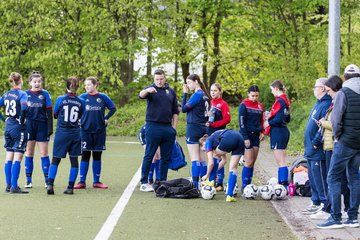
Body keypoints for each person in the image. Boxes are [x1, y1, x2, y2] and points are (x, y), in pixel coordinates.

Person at [318, 64, 360, 229]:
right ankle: (352, 218)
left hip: (345, 142)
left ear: (345, 78)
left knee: (333, 177)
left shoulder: (343, 93)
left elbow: (336, 120)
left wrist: (338, 136)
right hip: (358, 143)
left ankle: (335, 217)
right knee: (354, 178)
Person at [310, 75, 350, 220]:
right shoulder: (333, 102)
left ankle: (334, 210)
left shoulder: (338, 101)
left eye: (328, 90)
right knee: (336, 178)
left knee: (336, 179)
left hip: (334, 145)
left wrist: (323, 123)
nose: (327, 93)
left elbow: (335, 124)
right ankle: (335, 208)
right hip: (329, 145)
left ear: (334, 88)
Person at [138, 69, 179, 192]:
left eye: (161, 79)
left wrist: (174, 129)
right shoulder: (150, 89)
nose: (159, 81)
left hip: (167, 128)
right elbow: (141, 95)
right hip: (153, 126)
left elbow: (175, 112)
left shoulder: (171, 92)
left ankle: (162, 181)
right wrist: (146, 90)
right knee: (149, 155)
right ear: (154, 79)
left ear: (164, 78)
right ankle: (144, 182)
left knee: (165, 157)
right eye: (156, 79)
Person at [74, 76, 117, 189]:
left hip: (99, 130)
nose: (86, 87)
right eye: (85, 85)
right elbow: (75, 109)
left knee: (97, 155)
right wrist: (78, 120)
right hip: (85, 130)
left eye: (89, 85)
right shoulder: (82, 97)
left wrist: (106, 118)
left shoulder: (102, 97)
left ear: (95, 85)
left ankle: (96, 181)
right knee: (85, 155)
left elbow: (113, 108)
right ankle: (81, 181)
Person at [46, 76, 85, 195]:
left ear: (66, 86)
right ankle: (70, 187)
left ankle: (50, 185)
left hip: (62, 133)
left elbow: (55, 114)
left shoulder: (60, 99)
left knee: (55, 160)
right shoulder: (81, 101)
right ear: (78, 86)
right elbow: (81, 115)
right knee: (74, 161)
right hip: (75, 133)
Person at [302, 78, 332, 215]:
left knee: (320, 177)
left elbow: (323, 126)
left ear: (322, 88)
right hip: (310, 149)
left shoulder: (326, 104)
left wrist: (315, 142)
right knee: (313, 177)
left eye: (315, 86)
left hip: (317, 149)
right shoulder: (318, 103)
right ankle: (315, 201)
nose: (313, 89)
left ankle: (325, 203)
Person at [0, 72, 29, 193]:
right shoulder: (22, 94)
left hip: (8, 127)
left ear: (12, 82)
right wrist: (22, 119)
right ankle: (14, 186)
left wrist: (4, 119)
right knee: (18, 156)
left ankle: (8, 185)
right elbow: (24, 107)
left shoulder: (6, 94)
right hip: (18, 128)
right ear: (20, 81)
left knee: (9, 156)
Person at [24, 71, 53, 188]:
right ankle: (28, 180)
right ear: (30, 83)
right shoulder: (25, 94)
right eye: (35, 81)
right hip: (29, 126)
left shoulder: (45, 94)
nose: (37, 84)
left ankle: (47, 180)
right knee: (29, 152)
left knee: (44, 153)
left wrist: (50, 127)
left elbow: (49, 111)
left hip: (42, 125)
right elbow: (21, 111)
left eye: (39, 81)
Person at [200, 129, 245, 202]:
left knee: (215, 155)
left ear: (203, 143)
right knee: (233, 168)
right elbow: (224, 161)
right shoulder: (217, 141)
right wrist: (214, 171)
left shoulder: (208, 142)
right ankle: (229, 196)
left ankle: (211, 181)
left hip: (228, 137)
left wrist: (207, 175)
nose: (205, 151)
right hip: (240, 138)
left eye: (204, 150)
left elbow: (211, 163)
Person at [182, 74, 210, 189]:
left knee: (194, 157)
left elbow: (184, 109)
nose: (188, 86)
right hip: (203, 127)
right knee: (201, 157)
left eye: (189, 83)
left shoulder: (196, 95)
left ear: (196, 81)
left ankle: (195, 184)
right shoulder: (206, 96)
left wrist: (184, 93)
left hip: (193, 127)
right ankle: (204, 182)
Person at [264, 80, 290, 186]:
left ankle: (283, 185)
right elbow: (287, 118)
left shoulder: (279, 101)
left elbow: (279, 119)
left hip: (278, 132)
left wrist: (268, 122)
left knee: (281, 161)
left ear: (275, 88)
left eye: (271, 90)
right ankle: (282, 183)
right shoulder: (285, 101)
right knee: (282, 160)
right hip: (283, 131)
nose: (271, 92)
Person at [239, 85, 264, 190]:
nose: (255, 98)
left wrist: (262, 131)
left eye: (257, 96)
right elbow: (241, 122)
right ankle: (244, 186)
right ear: (248, 94)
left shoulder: (260, 106)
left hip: (256, 136)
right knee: (248, 161)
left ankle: (249, 185)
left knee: (253, 161)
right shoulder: (243, 105)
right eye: (253, 95)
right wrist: (245, 138)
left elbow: (262, 120)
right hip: (247, 135)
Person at [207, 83, 231, 191]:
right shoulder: (210, 102)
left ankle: (219, 183)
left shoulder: (223, 104)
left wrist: (214, 124)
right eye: (211, 90)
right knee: (213, 157)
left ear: (220, 91)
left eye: (215, 90)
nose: (213, 92)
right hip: (210, 133)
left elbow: (227, 119)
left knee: (219, 158)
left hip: (220, 134)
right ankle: (214, 180)